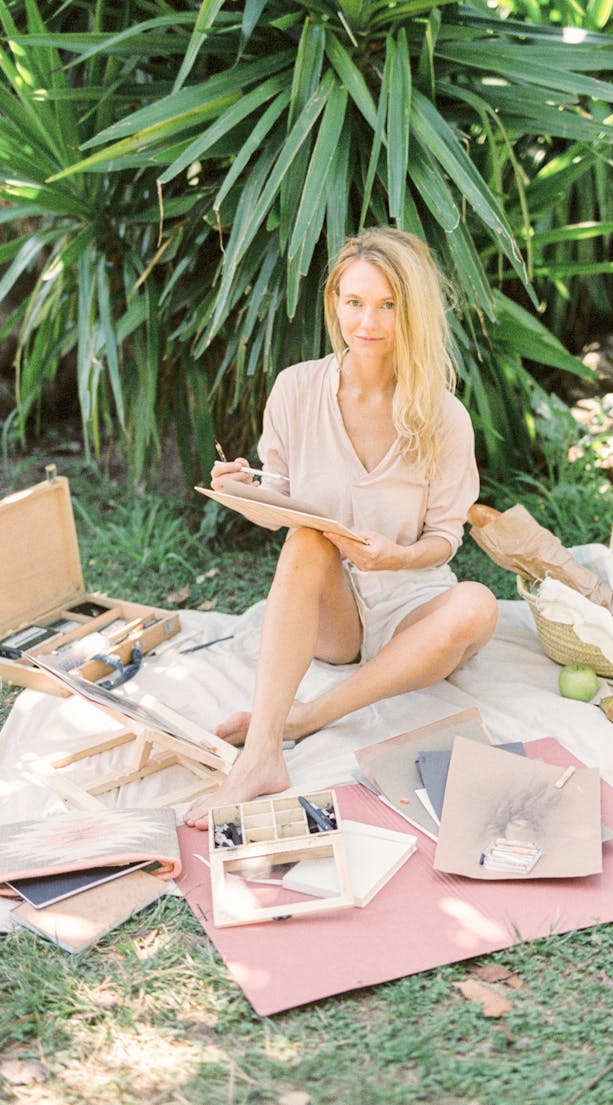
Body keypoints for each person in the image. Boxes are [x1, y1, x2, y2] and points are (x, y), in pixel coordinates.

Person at [183, 226, 498, 828]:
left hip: (413, 604)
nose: (368, 322)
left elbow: (446, 538)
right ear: (334, 303)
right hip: (336, 614)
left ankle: (307, 717)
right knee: (308, 537)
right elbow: (281, 501)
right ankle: (262, 755)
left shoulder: (443, 416)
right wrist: (241, 489)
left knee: (478, 605)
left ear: (413, 310)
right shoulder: (297, 388)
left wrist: (397, 558)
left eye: (387, 305)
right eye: (353, 302)